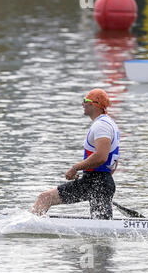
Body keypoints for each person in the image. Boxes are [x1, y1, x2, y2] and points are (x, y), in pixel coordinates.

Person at [31, 89, 120, 220]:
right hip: (99, 182)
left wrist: (75, 168)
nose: (82, 104)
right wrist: (103, 178)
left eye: (85, 101)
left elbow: (102, 156)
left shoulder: (101, 126)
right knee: (101, 229)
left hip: (95, 182)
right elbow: (113, 161)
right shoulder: (108, 123)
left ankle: (25, 227)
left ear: (94, 104)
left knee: (45, 198)